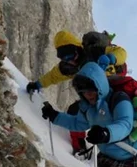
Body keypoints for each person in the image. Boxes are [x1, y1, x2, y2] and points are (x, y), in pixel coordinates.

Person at [26, 30, 128, 158]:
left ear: (77, 48)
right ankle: (79, 148)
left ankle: (112, 135)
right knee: (75, 111)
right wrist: (37, 84)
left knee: (115, 110)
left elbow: (122, 52)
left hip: (112, 87)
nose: (70, 61)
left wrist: (111, 58)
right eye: (65, 59)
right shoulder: (68, 67)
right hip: (93, 94)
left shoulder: (96, 51)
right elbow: (53, 76)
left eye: (71, 56)